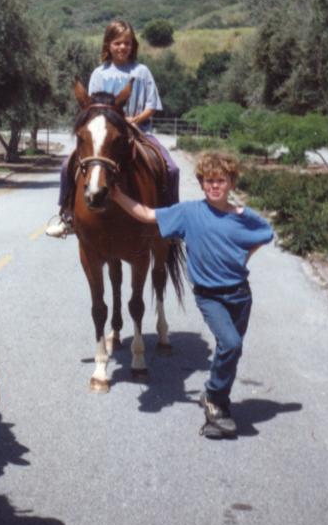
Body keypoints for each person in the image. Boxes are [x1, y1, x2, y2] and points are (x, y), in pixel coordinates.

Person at [111, 150, 273, 438]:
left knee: (230, 352)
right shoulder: (188, 213)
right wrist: (118, 196)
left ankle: (217, 400)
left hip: (240, 295)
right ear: (201, 184)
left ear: (231, 183)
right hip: (210, 296)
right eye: (209, 181)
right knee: (231, 344)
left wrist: (242, 259)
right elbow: (147, 214)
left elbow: (265, 234)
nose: (214, 186)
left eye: (220, 181)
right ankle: (214, 397)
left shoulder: (244, 217)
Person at [45, 18, 180, 237]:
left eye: (127, 43)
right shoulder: (99, 74)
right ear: (108, 44)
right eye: (117, 42)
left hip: (140, 131)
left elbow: (152, 106)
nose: (122, 47)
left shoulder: (142, 71)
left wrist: (132, 121)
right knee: (65, 166)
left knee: (172, 169)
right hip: (105, 136)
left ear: (133, 45)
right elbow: (91, 109)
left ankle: (172, 218)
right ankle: (67, 215)